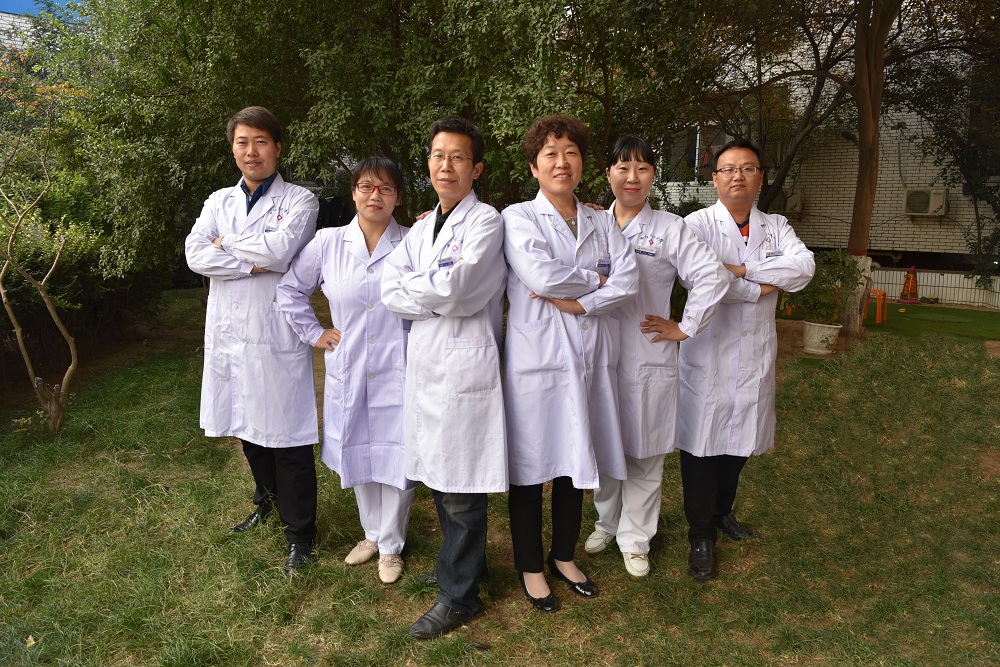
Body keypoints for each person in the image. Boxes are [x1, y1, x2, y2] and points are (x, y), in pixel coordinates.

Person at [502, 115, 638, 613]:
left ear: (582, 163)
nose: (562, 163)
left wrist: (582, 301)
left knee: (574, 460)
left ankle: (563, 556)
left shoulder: (601, 220)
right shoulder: (517, 217)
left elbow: (629, 280)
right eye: (550, 154)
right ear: (534, 167)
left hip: (588, 356)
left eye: (571, 153)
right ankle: (531, 567)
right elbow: (541, 275)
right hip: (538, 359)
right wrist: (598, 281)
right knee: (529, 465)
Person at [381, 116, 507, 638]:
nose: (446, 166)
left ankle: (459, 596)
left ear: (476, 169)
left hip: (464, 365)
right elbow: (389, 288)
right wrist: (434, 292)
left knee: (461, 484)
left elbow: (461, 289)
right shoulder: (421, 228)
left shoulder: (486, 221)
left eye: (457, 157)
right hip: (429, 363)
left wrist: (427, 291)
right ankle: (466, 566)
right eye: (437, 156)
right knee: (438, 472)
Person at [584, 136, 728, 577]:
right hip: (598, 351)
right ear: (608, 173)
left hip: (647, 355)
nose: (632, 178)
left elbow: (712, 275)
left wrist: (685, 327)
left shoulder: (669, 228)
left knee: (645, 453)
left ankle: (635, 538)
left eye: (643, 169)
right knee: (603, 443)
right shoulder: (590, 222)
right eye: (623, 168)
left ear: (653, 175)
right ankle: (606, 522)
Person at [185, 106, 319, 574]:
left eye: (261, 141)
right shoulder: (218, 200)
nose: (251, 151)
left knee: (288, 436)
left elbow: (280, 251)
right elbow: (194, 254)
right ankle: (268, 503)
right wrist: (249, 260)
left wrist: (225, 245)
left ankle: (300, 533)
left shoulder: (300, 200)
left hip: (274, 331)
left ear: (277, 147)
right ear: (233, 149)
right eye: (242, 142)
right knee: (248, 425)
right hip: (230, 333)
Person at [678, 138, 815, 581]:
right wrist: (763, 284)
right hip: (707, 352)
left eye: (748, 168)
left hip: (754, 352)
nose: (738, 176)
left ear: (760, 177)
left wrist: (740, 270)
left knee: (739, 442)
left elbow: (804, 270)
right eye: (728, 169)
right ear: (715, 178)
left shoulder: (776, 225)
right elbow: (703, 280)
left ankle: (722, 513)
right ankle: (700, 534)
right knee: (702, 445)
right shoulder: (695, 225)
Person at [276, 156, 413, 585]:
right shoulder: (328, 243)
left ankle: (391, 544)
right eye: (367, 187)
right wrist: (315, 333)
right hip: (349, 364)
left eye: (386, 188)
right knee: (359, 446)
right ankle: (371, 533)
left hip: (400, 364)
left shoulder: (413, 241)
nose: (375, 196)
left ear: (397, 198)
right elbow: (290, 289)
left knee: (397, 453)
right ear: (354, 192)